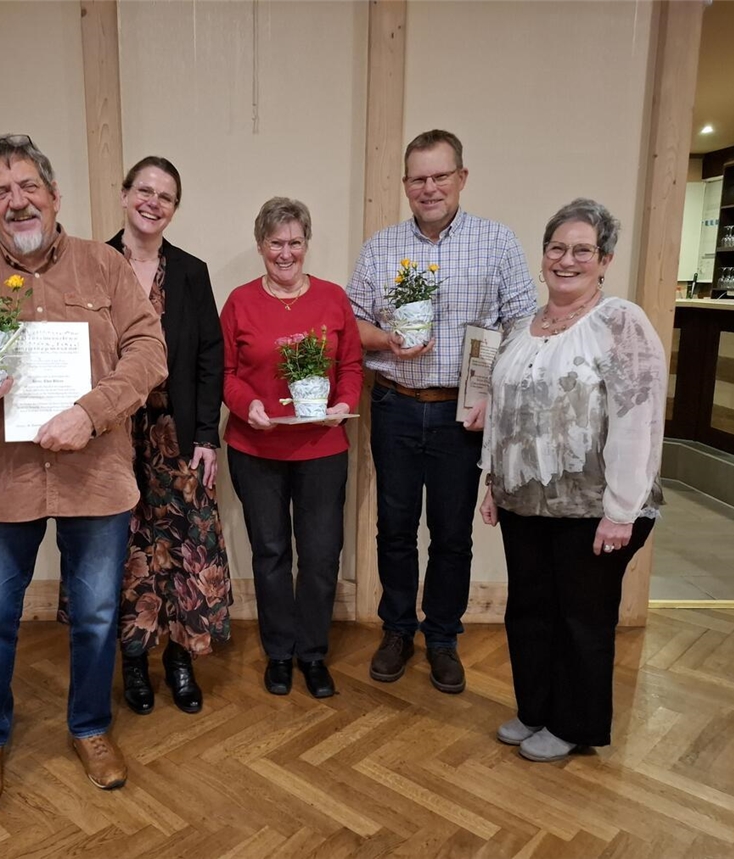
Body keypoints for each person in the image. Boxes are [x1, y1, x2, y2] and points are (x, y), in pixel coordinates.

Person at [0, 135, 166, 810]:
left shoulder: (107, 267)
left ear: (55, 194)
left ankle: (90, 726)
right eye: (1, 191)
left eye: (29, 185)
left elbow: (149, 352)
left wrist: (91, 413)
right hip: (1, 479)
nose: (18, 201)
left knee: (95, 616)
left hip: (95, 473)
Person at [347, 129, 537, 694]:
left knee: (453, 533)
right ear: (405, 185)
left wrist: (495, 399)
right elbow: (350, 323)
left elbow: (524, 326)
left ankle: (444, 637)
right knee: (395, 529)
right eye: (418, 179)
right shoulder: (381, 248)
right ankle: (398, 629)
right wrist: (386, 341)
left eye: (440, 176)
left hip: (463, 415)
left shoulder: (497, 243)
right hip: (396, 406)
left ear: (461, 178)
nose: (429, 188)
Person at [480, 198, 665, 762]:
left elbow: (640, 417)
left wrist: (621, 510)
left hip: (593, 507)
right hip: (524, 502)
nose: (566, 259)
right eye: (557, 248)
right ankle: (535, 709)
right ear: (542, 257)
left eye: (581, 250)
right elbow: (501, 409)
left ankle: (574, 723)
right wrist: (492, 479)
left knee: (580, 619)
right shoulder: (520, 329)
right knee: (528, 610)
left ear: (604, 259)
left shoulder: (620, 322)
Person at [221, 197, 364, 699]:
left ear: (307, 244)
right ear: (261, 245)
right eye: (276, 243)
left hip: (322, 447)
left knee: (322, 555)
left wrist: (343, 402)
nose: (286, 253)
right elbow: (225, 373)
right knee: (271, 552)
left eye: (295, 243)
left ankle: (314, 653)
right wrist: (246, 407)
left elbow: (349, 365)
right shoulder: (239, 301)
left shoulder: (332, 298)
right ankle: (279, 653)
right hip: (255, 448)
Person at [105, 156, 231, 716]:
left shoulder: (190, 271)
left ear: (174, 208)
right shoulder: (94, 263)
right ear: (126, 194)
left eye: (166, 196)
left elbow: (210, 355)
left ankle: (180, 660)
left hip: (175, 433)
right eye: (145, 191)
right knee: (125, 547)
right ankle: (133, 661)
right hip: (110, 432)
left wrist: (207, 434)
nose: (153, 202)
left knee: (185, 546)